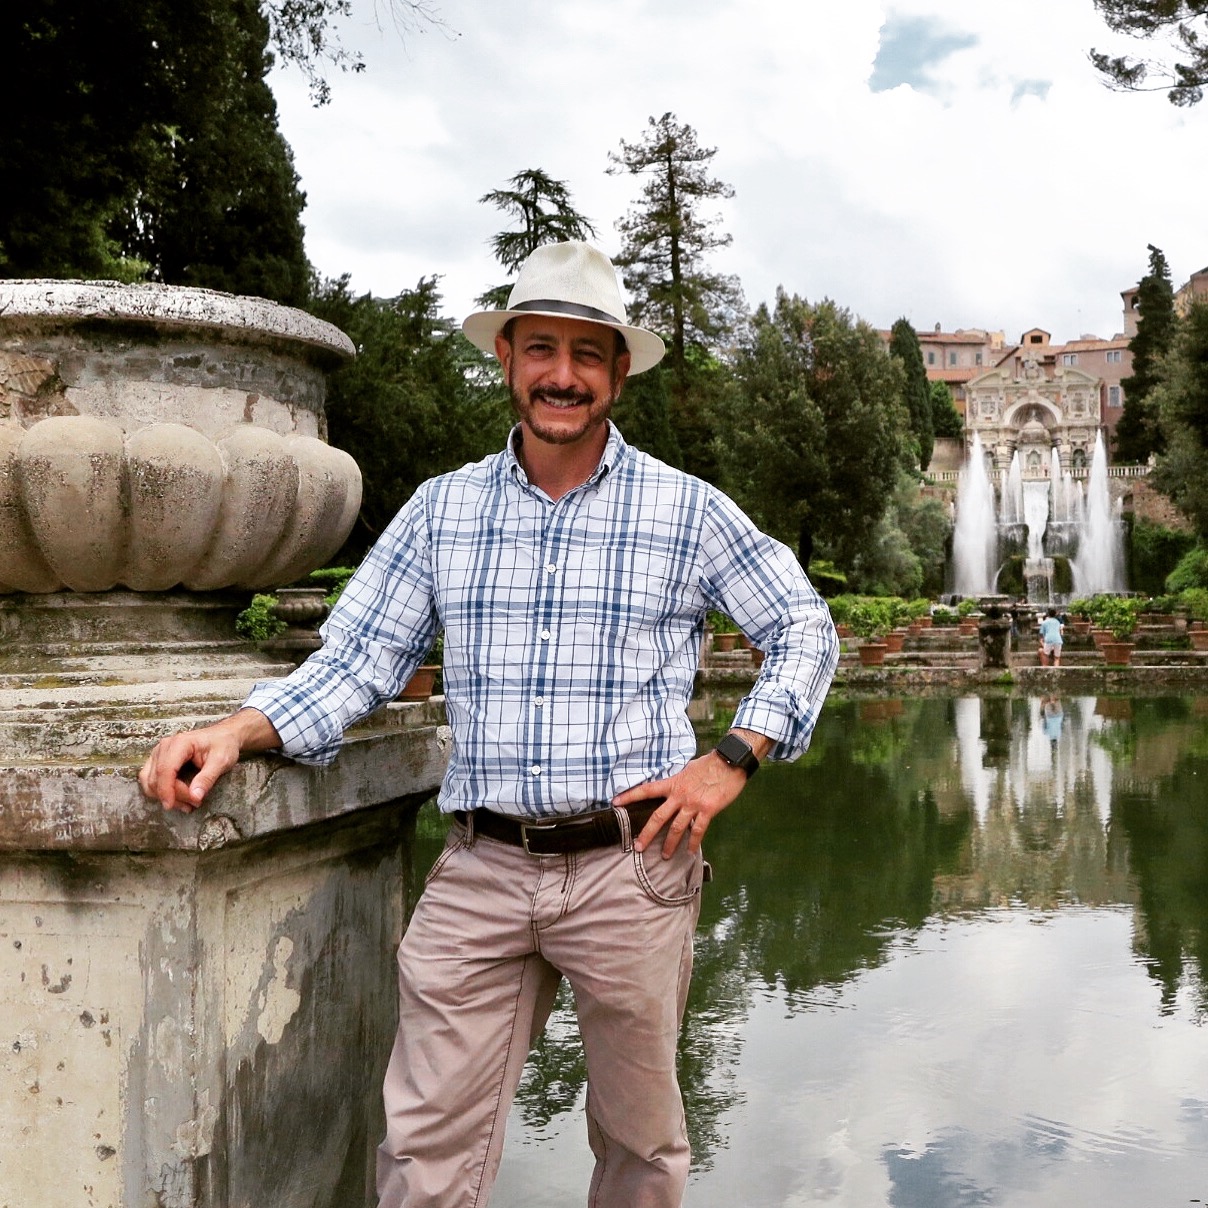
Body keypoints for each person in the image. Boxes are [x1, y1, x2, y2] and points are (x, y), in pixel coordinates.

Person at [138, 241, 840, 1208]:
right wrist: (238, 731)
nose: (563, 376)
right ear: (506, 358)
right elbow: (356, 659)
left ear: (617, 373)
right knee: (424, 1149)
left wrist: (731, 760)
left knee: (641, 1148)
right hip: (480, 869)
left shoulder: (687, 512)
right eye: (541, 349)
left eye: (587, 355)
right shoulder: (442, 511)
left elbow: (803, 625)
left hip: (631, 865)